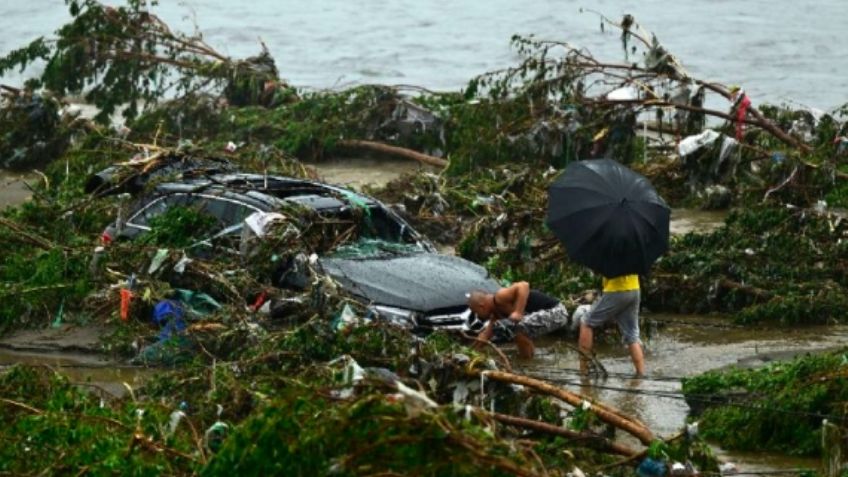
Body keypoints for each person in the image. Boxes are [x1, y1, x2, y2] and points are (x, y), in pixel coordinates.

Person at [467, 282, 569, 359]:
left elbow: (524, 285)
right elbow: (484, 336)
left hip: (558, 312)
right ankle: (529, 360)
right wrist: (469, 353)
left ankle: (527, 361)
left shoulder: (500, 297)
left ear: (482, 306)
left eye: (476, 312)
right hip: (547, 317)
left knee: (512, 327)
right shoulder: (496, 315)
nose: (477, 315)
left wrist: (518, 312)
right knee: (510, 328)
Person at [578, 273, 644, 376]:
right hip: (634, 289)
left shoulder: (611, 255)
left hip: (615, 290)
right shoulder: (632, 256)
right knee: (632, 335)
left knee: (586, 322)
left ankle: (583, 370)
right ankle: (640, 375)